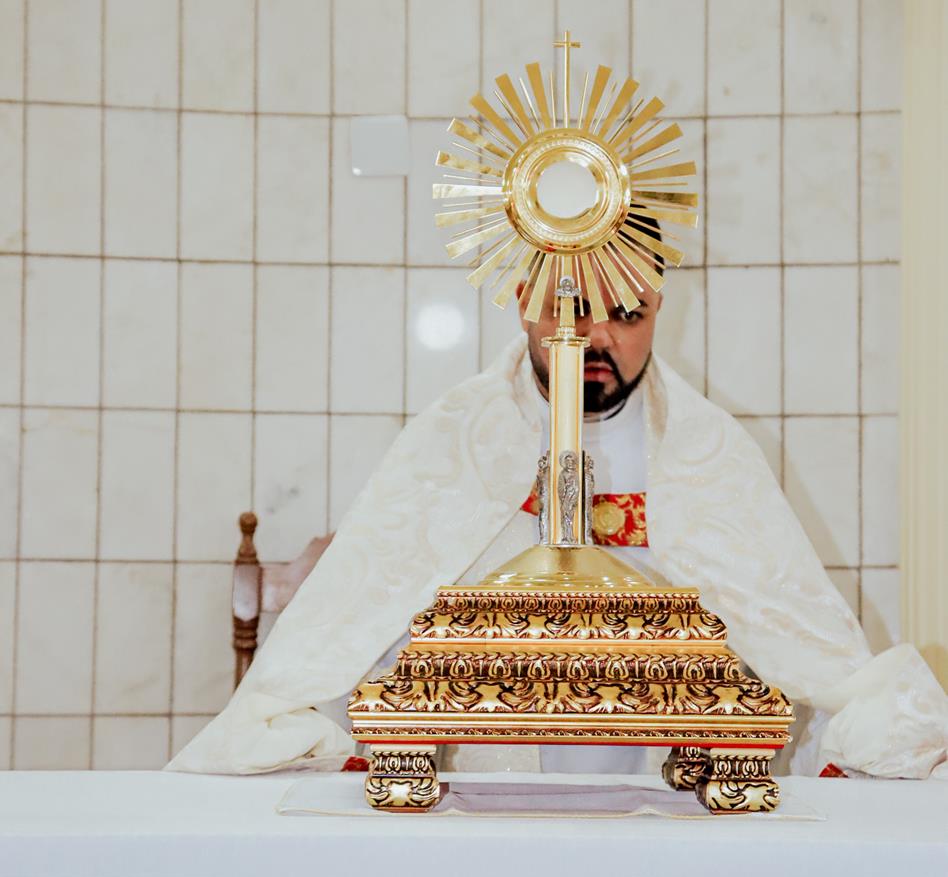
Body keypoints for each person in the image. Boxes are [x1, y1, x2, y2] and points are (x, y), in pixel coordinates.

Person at [167, 223, 948, 781]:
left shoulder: (707, 451)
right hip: (479, 794)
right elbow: (355, 629)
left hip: (666, 797)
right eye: (569, 309)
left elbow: (800, 646)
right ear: (522, 302)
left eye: (626, 314)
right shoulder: (455, 439)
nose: (594, 338)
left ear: (659, 311)